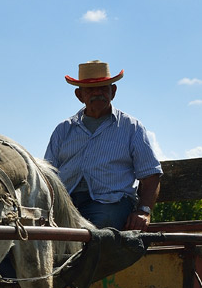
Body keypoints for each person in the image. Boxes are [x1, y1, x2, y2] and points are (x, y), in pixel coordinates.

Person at [44, 60, 162, 231]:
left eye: (103, 88)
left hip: (111, 203)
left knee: (95, 232)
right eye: (90, 89)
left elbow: (151, 174)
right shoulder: (63, 129)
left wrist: (143, 211)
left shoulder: (131, 127)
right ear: (79, 95)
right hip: (66, 204)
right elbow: (48, 175)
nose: (97, 93)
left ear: (113, 91)